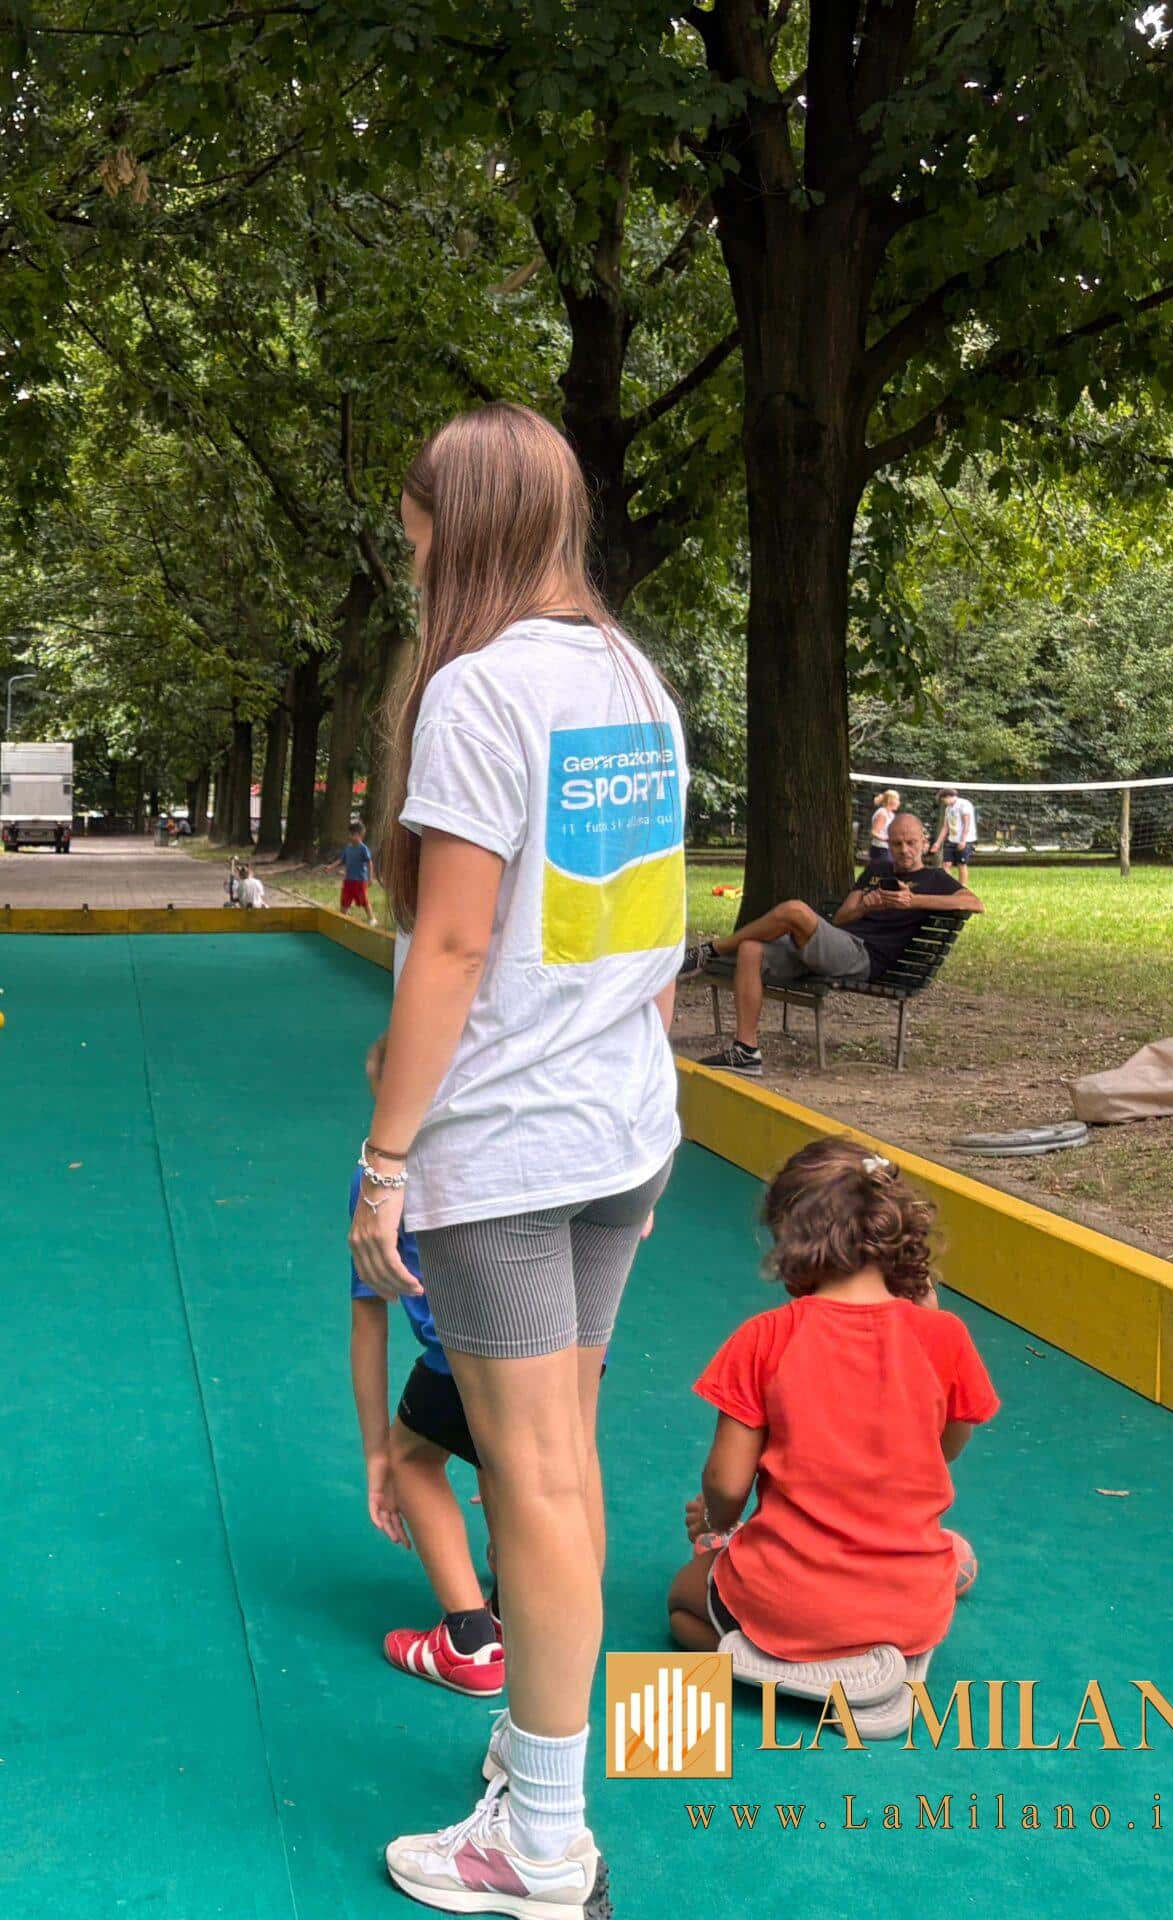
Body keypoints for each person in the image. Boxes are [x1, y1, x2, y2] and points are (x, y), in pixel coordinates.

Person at [354, 404, 685, 1915]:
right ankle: (538, 1772)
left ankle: (541, 1841)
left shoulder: (479, 689)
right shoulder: (632, 678)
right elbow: (644, 929)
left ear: (463, 524)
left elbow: (454, 941)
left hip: (511, 1142)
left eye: (417, 526)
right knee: (565, 1465)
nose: (410, 553)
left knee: (533, 1481)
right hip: (621, 1128)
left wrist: (386, 1160)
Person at [666, 1141, 998, 1662]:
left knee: (683, 1602)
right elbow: (946, 1446)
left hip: (784, 1599)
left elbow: (727, 1484)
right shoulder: (944, 1336)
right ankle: (884, 1649)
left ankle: (769, 1662)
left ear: (792, 1239)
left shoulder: (764, 1336)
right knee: (942, 1554)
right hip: (909, 1612)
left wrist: (713, 1523)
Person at [347, 1060, 503, 1697]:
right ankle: (526, 1607)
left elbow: (369, 1324)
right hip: (557, 1349)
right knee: (538, 1463)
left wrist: (377, 1453)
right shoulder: (511, 1149)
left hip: (462, 1356)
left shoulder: (377, 1184)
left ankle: (469, 1638)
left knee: (412, 1456)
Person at [692, 813, 980, 1077]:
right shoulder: (877, 869)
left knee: (794, 910)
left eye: (911, 843)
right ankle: (745, 1051)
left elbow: (974, 903)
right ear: (888, 844)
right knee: (750, 949)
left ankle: (714, 949)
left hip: (864, 957)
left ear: (924, 842)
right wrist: (865, 906)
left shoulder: (934, 879)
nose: (904, 850)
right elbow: (842, 916)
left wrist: (913, 901)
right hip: (837, 944)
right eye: (897, 843)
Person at [338, 820, 377, 919]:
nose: (350, 836)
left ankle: (372, 918)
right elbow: (341, 860)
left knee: (364, 900)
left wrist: (370, 878)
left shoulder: (363, 849)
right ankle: (342, 917)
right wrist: (330, 867)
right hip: (348, 880)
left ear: (360, 835)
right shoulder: (348, 848)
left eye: (353, 834)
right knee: (345, 899)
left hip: (360, 880)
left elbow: (369, 863)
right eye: (349, 834)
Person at [938, 788, 976, 881]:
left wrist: (963, 840)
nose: (944, 803)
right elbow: (946, 827)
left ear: (948, 797)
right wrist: (938, 843)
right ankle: (950, 885)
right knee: (946, 865)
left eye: (944, 801)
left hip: (965, 840)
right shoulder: (948, 809)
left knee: (961, 864)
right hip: (952, 840)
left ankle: (962, 886)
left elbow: (967, 824)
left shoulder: (964, 804)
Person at [864, 789, 900, 879]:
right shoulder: (882, 813)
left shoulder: (891, 815)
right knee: (880, 875)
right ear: (890, 800)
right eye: (897, 800)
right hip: (880, 849)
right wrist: (886, 839)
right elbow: (874, 832)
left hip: (887, 848)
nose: (899, 803)